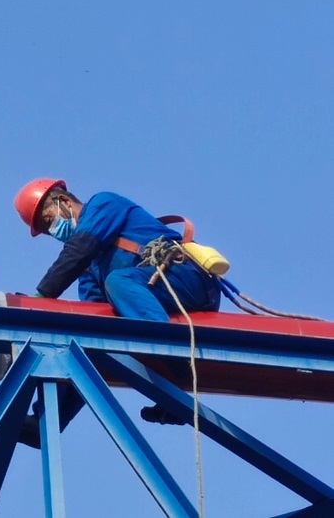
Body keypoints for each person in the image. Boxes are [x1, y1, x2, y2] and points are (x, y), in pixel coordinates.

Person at [13, 178, 222, 446]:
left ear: (64, 201)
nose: (53, 231)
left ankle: (173, 359)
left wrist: (41, 298)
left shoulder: (103, 204)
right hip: (152, 300)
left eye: (49, 221)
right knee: (88, 339)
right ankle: (47, 420)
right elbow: (93, 313)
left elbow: (82, 247)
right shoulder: (91, 267)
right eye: (46, 231)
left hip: (188, 280)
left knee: (118, 281)